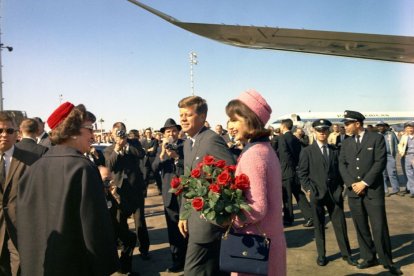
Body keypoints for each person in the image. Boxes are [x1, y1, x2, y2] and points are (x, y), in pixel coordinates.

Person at [17, 102, 119, 276]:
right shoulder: (82, 168)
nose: (93, 136)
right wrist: (105, 265)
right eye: (90, 129)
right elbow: (94, 227)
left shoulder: (34, 168)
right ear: (72, 131)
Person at [225, 89, 286, 276]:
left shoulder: (254, 154)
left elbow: (257, 207)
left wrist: (228, 219)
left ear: (250, 120)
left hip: (254, 246)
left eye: (235, 119)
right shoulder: (264, 148)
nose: (230, 125)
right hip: (269, 239)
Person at [177, 95, 235, 276]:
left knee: (192, 271)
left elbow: (230, 175)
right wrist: (184, 215)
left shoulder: (211, 139)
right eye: (181, 115)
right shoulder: (188, 143)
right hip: (195, 221)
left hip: (208, 223)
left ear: (202, 117)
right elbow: (188, 183)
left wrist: (222, 214)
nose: (183, 119)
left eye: (188, 114)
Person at [339, 110, 402, 275]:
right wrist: (352, 184)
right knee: (361, 226)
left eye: (347, 124)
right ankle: (368, 257)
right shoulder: (346, 142)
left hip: (372, 190)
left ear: (357, 124)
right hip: (354, 191)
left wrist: (364, 183)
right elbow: (342, 164)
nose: (345, 127)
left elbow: (380, 162)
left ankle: (387, 260)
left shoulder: (376, 139)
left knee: (379, 226)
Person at [298, 119, 357, 267]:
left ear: (328, 132)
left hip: (334, 194)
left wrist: (341, 187)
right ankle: (322, 255)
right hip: (317, 194)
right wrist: (309, 190)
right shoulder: (307, 151)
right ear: (314, 132)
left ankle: (347, 254)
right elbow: (302, 173)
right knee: (318, 226)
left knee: (340, 225)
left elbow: (340, 171)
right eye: (319, 130)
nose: (322, 133)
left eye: (325, 130)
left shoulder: (334, 150)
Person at [0, 113, 43, 276]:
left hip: (20, 230)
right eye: (0, 130)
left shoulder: (31, 160)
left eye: (9, 130)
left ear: (17, 133)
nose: (4, 134)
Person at [104, 122, 150, 260]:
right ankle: (125, 251)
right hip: (119, 191)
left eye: (122, 131)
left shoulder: (134, 142)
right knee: (120, 221)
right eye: (117, 132)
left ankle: (144, 249)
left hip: (135, 188)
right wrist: (118, 149)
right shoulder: (109, 149)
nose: (120, 134)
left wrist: (127, 145)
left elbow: (141, 154)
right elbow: (109, 165)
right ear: (112, 134)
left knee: (140, 221)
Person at [152, 118, 187, 273]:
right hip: (169, 194)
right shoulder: (161, 149)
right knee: (173, 230)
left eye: (174, 130)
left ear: (178, 132)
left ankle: (189, 259)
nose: (171, 133)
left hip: (184, 193)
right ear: (164, 134)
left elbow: (188, 167)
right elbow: (153, 168)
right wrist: (163, 156)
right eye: (168, 131)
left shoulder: (185, 145)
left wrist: (176, 157)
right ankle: (176, 260)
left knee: (187, 228)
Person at [98, 166, 137, 275]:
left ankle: (124, 268)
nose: (109, 181)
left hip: (115, 228)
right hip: (102, 232)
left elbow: (128, 211)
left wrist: (116, 196)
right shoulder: (94, 194)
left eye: (110, 178)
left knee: (130, 238)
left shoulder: (115, 191)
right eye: (106, 179)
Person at [277, 119, 313, 227]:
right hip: (294, 170)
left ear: (283, 126)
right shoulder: (294, 138)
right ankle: (310, 216)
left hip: (285, 170)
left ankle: (288, 219)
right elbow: (298, 154)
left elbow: (283, 154)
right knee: (299, 194)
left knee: (287, 196)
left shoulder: (282, 138)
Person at [376, 121, 401, 196]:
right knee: (382, 174)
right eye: (378, 126)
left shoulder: (390, 134)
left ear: (384, 126)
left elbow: (396, 144)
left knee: (392, 173)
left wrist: (396, 154)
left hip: (390, 156)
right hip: (380, 156)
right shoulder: (377, 135)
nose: (380, 127)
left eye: (381, 126)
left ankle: (396, 189)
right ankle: (385, 190)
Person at [397, 121, 414, 197]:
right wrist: (401, 152)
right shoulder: (404, 136)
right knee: (409, 174)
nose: (409, 129)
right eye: (407, 128)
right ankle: (413, 191)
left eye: (411, 127)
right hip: (407, 156)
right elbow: (400, 145)